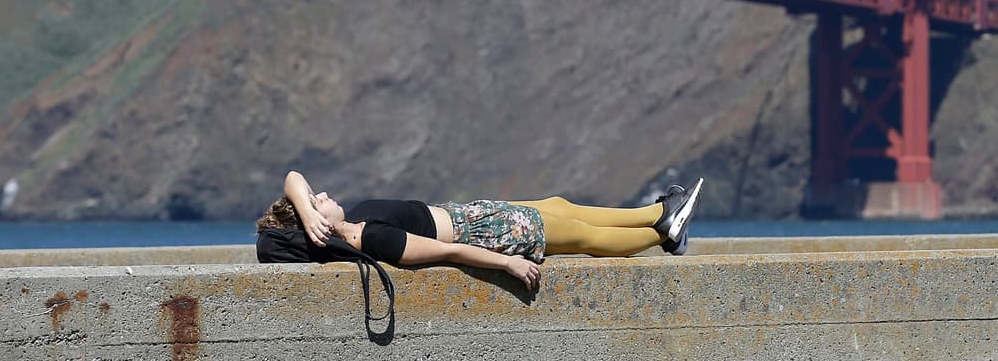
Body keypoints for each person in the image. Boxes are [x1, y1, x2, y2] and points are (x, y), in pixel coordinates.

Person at [255, 170, 704, 291]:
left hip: (472, 213)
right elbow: (446, 254)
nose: (322, 193)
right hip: (486, 235)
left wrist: (305, 207)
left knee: (560, 206)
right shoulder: (371, 239)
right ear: (317, 227)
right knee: (582, 235)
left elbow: (293, 177)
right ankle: (663, 232)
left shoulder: (350, 220)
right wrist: (508, 262)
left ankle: (657, 210)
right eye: (318, 202)